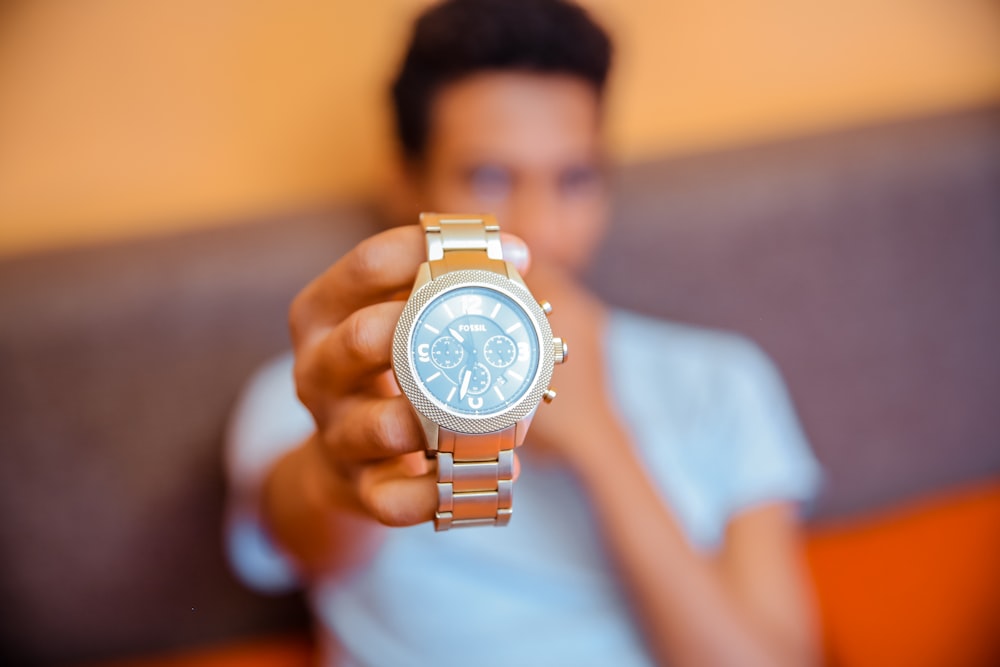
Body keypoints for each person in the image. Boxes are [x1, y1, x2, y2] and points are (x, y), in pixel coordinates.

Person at [225, 1, 823, 665]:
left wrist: (599, 438)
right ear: (404, 183)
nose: (537, 228)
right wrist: (347, 457)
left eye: (574, 179)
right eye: (490, 176)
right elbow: (314, 532)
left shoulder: (722, 378)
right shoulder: (323, 385)